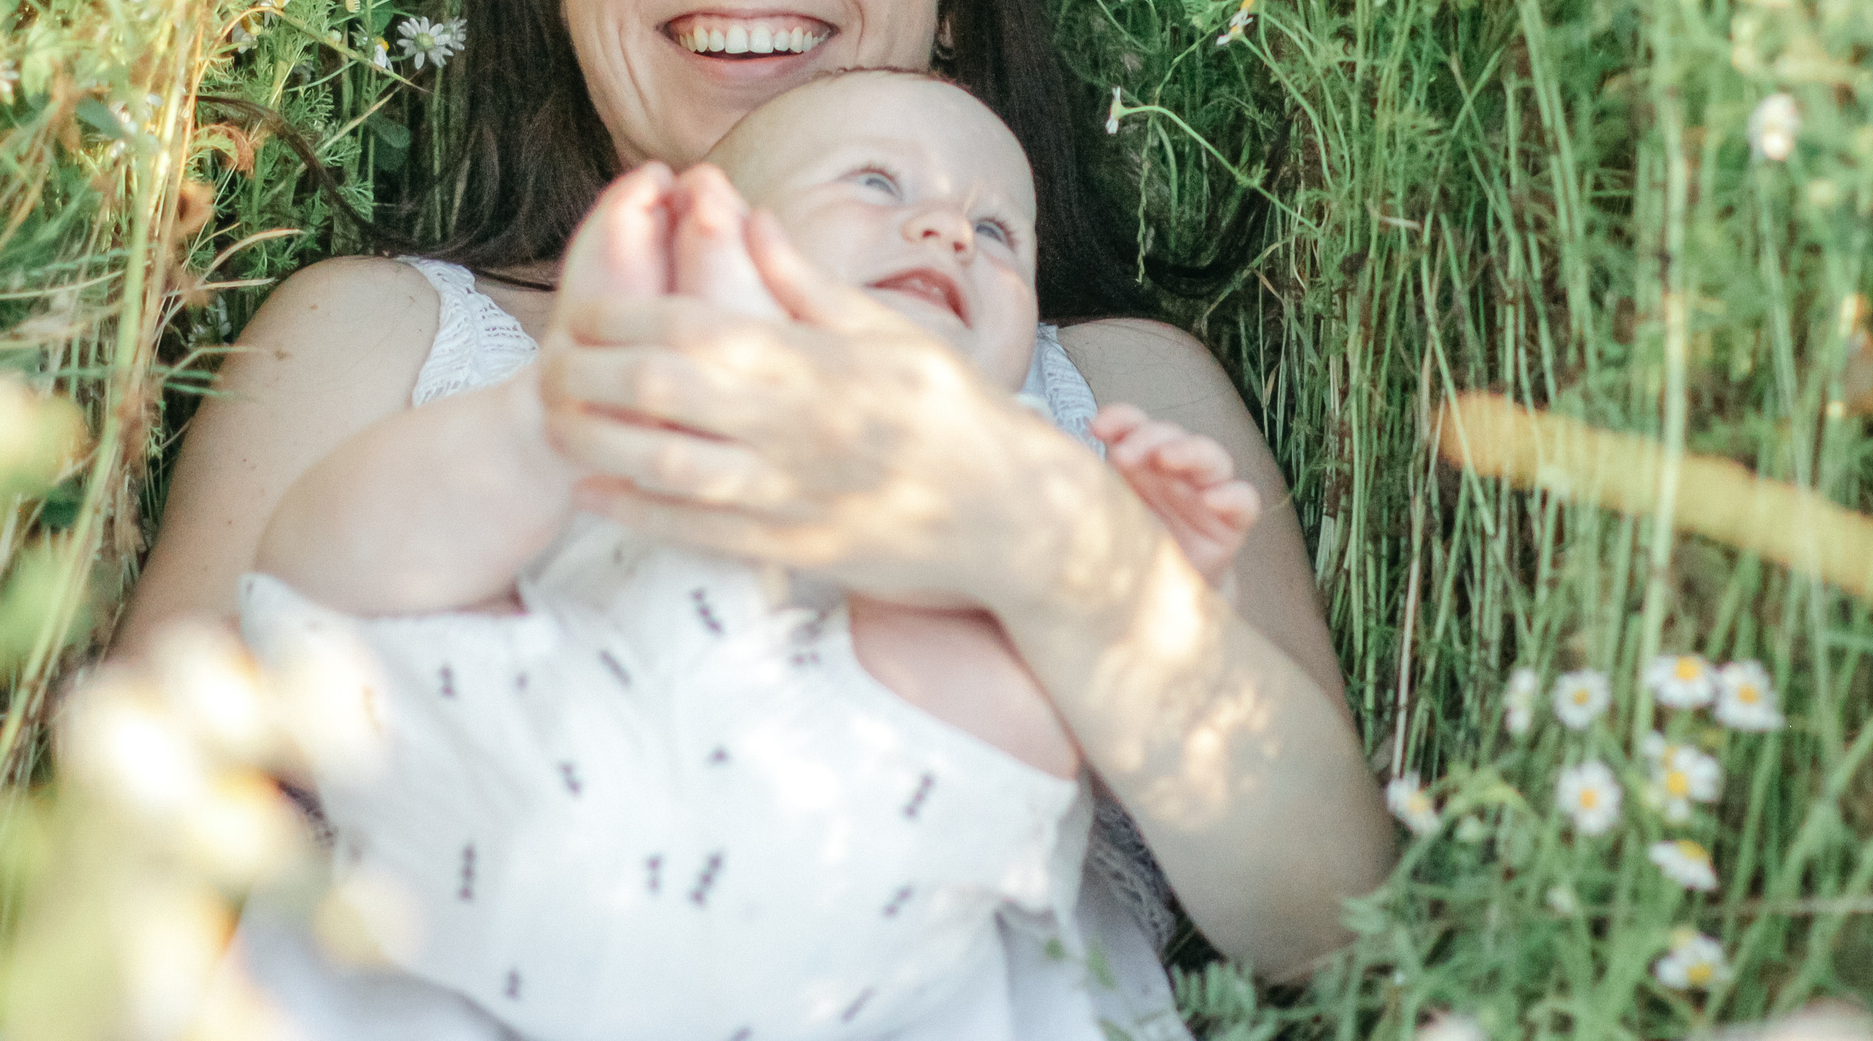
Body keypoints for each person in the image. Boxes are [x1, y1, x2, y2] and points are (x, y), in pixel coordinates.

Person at [119, 0, 1393, 1037]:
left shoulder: (1112, 401)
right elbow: (132, 833)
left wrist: (1060, 560)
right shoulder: (386, 336)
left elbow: (1332, 922)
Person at [241, 71, 1262, 1037]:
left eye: (998, 233)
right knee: (366, 580)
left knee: (1005, 668)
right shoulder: (628, 403)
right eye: (876, 181)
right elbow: (319, 602)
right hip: (552, 776)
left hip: (858, 874)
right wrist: (545, 428)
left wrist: (1132, 578)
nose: (951, 229)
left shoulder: (1040, 452)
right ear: (698, 245)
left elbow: (1154, 744)